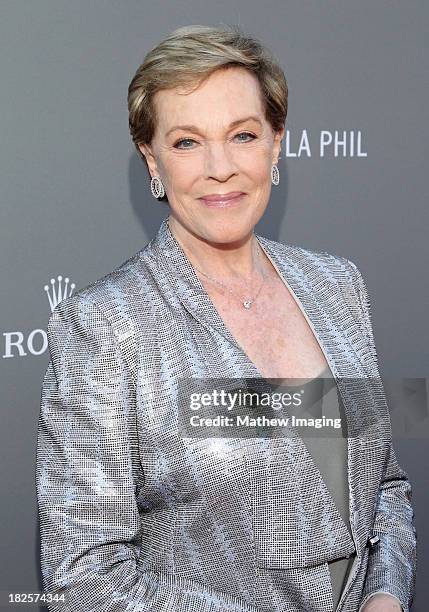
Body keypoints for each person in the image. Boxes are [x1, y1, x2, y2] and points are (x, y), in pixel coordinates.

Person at [35, 24, 416, 612]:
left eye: (242, 135)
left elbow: (384, 486)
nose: (220, 167)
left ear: (276, 143)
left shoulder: (337, 286)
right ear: (151, 157)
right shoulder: (105, 327)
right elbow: (83, 582)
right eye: (187, 142)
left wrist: (385, 596)